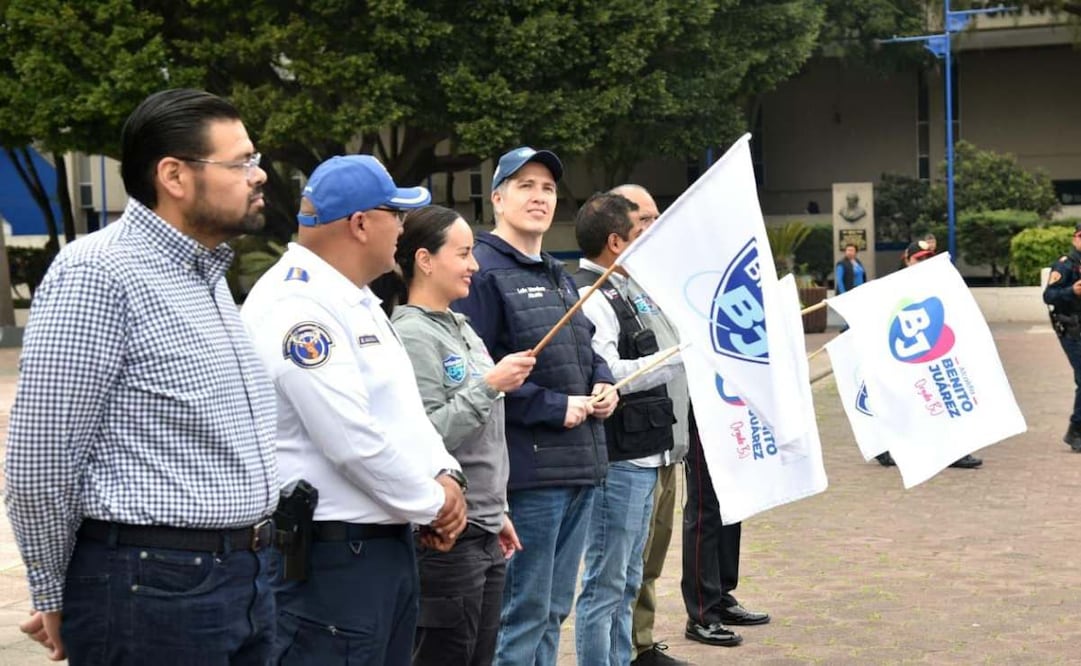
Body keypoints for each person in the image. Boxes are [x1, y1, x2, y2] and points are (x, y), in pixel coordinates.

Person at [5, 88, 279, 663]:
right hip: (157, 587)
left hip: (245, 577)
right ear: (175, 176)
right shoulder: (98, 274)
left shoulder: (206, 277)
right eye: (242, 162)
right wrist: (57, 592)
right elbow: (40, 460)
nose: (259, 176)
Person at [240, 155, 469, 665]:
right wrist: (433, 504)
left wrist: (445, 474)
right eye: (396, 214)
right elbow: (350, 438)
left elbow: (401, 410)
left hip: (380, 548)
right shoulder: (296, 306)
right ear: (360, 223)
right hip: (333, 563)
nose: (403, 228)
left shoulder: (356, 299)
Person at [451, 146, 619, 666]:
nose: (539, 197)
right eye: (525, 185)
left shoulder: (557, 272)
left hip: (579, 466)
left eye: (547, 188)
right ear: (497, 198)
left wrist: (605, 384)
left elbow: (585, 348)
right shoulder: (479, 273)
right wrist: (552, 406)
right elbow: (474, 371)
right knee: (521, 615)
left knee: (551, 612)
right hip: (528, 474)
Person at [375, 205, 536, 665]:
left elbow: (485, 436)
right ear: (425, 260)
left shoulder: (462, 327)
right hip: (447, 537)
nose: (474, 264)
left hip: (483, 529)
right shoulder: (411, 335)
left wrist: (498, 510)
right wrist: (490, 385)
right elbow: (426, 436)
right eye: (464, 253)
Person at [571, 193, 681, 666]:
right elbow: (606, 371)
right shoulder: (590, 295)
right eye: (641, 232)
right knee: (607, 581)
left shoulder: (628, 285)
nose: (650, 239)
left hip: (648, 450)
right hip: (621, 458)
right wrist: (674, 361)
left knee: (630, 576)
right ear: (616, 242)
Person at [610, 185, 691, 666]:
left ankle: (641, 643)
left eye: (657, 217)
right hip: (631, 449)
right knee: (622, 564)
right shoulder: (601, 288)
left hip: (669, 442)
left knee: (652, 557)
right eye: (644, 219)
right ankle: (623, 649)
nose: (654, 227)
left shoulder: (653, 283)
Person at [875, 240, 982, 469]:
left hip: (932, 351)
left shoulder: (937, 284)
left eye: (927, 258)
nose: (923, 262)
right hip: (903, 353)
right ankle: (883, 446)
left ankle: (956, 452)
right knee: (900, 400)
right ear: (907, 260)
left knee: (943, 396)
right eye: (918, 259)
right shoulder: (890, 286)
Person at [1042, 222, 1081, 452]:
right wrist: (1071, 292)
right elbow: (1049, 296)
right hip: (1072, 329)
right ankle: (1075, 430)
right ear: (1076, 238)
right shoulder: (1065, 265)